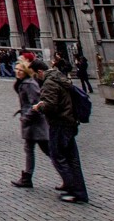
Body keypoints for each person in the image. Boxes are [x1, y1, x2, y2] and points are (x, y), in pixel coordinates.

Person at [32, 59, 89, 203]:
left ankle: (73, 189)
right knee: (72, 159)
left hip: (60, 123)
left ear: (40, 72)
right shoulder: (59, 77)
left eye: (35, 75)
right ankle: (80, 192)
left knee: (57, 156)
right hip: (70, 121)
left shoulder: (49, 83)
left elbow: (51, 105)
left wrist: (39, 107)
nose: (36, 78)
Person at [11, 60, 50, 189]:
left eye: (20, 70)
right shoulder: (23, 83)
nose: (17, 72)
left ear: (26, 71)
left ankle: (67, 175)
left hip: (35, 123)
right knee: (29, 149)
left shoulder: (29, 84)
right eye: (16, 69)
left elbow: (37, 104)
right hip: (31, 123)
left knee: (49, 151)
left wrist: (26, 117)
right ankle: (27, 177)